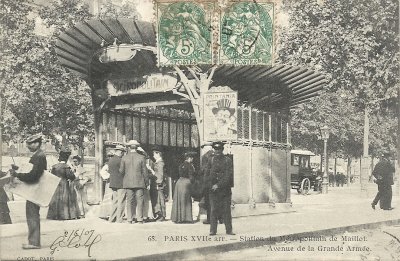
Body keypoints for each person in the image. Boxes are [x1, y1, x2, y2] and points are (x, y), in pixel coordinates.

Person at [9, 134, 47, 249]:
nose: (28, 147)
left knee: (32, 215)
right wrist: (17, 169)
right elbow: (30, 170)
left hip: (35, 190)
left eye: (29, 144)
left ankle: (34, 243)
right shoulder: (38, 155)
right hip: (35, 189)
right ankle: (33, 241)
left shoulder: (39, 156)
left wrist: (17, 174)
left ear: (36, 143)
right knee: (32, 214)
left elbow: (33, 176)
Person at [205, 141, 235, 236]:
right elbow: (206, 175)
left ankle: (229, 230)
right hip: (213, 191)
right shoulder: (210, 160)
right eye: (216, 149)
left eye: (219, 149)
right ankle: (213, 230)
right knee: (213, 210)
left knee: (226, 210)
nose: (217, 151)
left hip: (224, 190)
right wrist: (211, 185)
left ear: (222, 150)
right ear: (214, 150)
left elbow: (228, 176)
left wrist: (218, 185)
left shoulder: (227, 160)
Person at [120, 140, 148, 224]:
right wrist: (146, 182)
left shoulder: (124, 157)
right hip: (139, 182)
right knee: (140, 201)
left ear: (129, 147)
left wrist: (125, 177)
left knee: (129, 201)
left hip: (128, 183)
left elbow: (121, 171)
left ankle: (129, 219)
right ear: (137, 147)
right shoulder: (142, 157)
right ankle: (139, 219)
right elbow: (145, 172)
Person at [47, 146, 79, 220]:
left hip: (56, 184)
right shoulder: (66, 167)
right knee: (65, 199)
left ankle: (55, 215)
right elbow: (71, 177)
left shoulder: (54, 167)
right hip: (64, 184)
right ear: (66, 158)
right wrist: (73, 173)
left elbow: (51, 176)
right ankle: (65, 215)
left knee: (56, 199)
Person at [171, 151, 196, 223]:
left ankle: (178, 218)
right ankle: (186, 218)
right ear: (189, 158)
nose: (193, 159)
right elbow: (191, 176)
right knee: (186, 200)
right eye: (192, 158)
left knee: (179, 200)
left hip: (179, 183)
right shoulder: (190, 166)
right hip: (186, 183)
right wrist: (194, 184)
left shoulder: (181, 165)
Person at [147, 147, 166, 222]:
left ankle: (161, 215)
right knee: (157, 199)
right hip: (156, 183)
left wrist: (158, 183)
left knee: (160, 199)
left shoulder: (160, 163)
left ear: (158, 154)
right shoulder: (158, 163)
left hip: (158, 184)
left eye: (154, 154)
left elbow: (160, 175)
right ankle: (159, 214)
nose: (153, 156)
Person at [108, 145, 126, 223]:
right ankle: (119, 219)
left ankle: (112, 218)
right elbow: (122, 171)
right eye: (122, 152)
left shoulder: (111, 160)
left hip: (113, 182)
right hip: (121, 183)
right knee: (121, 201)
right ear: (120, 152)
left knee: (115, 201)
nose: (123, 154)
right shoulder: (120, 160)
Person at [99, 150, 114, 220]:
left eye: (112, 156)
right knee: (109, 196)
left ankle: (113, 213)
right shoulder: (107, 165)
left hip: (115, 182)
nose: (110, 158)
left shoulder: (115, 163)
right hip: (109, 182)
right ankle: (107, 213)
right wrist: (108, 176)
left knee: (114, 196)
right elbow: (102, 172)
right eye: (109, 156)